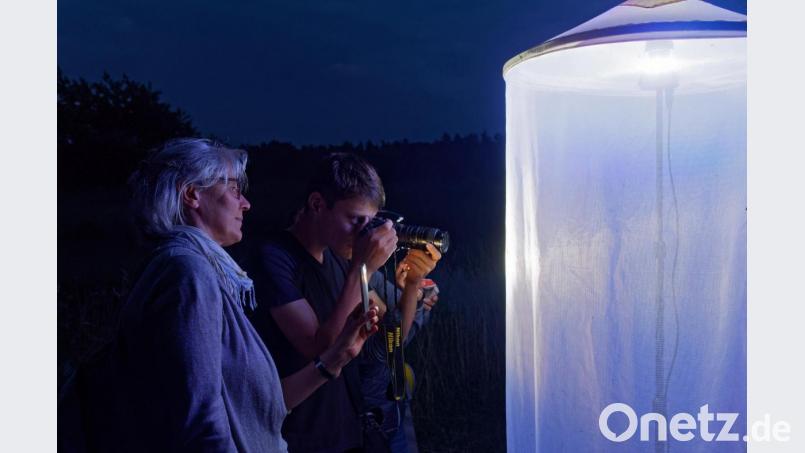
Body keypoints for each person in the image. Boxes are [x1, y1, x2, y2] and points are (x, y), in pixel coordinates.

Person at [59, 139, 378, 453]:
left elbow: (253, 408)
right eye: (235, 189)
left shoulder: (207, 272)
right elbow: (200, 417)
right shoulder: (188, 273)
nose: (246, 204)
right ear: (192, 195)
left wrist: (333, 361)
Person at [247, 153, 440, 453]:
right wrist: (362, 267)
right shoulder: (275, 257)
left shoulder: (342, 253)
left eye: (369, 221)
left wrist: (413, 283)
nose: (364, 232)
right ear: (317, 204)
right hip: (302, 435)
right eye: (355, 220)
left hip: (350, 428)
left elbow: (394, 334)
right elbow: (318, 347)